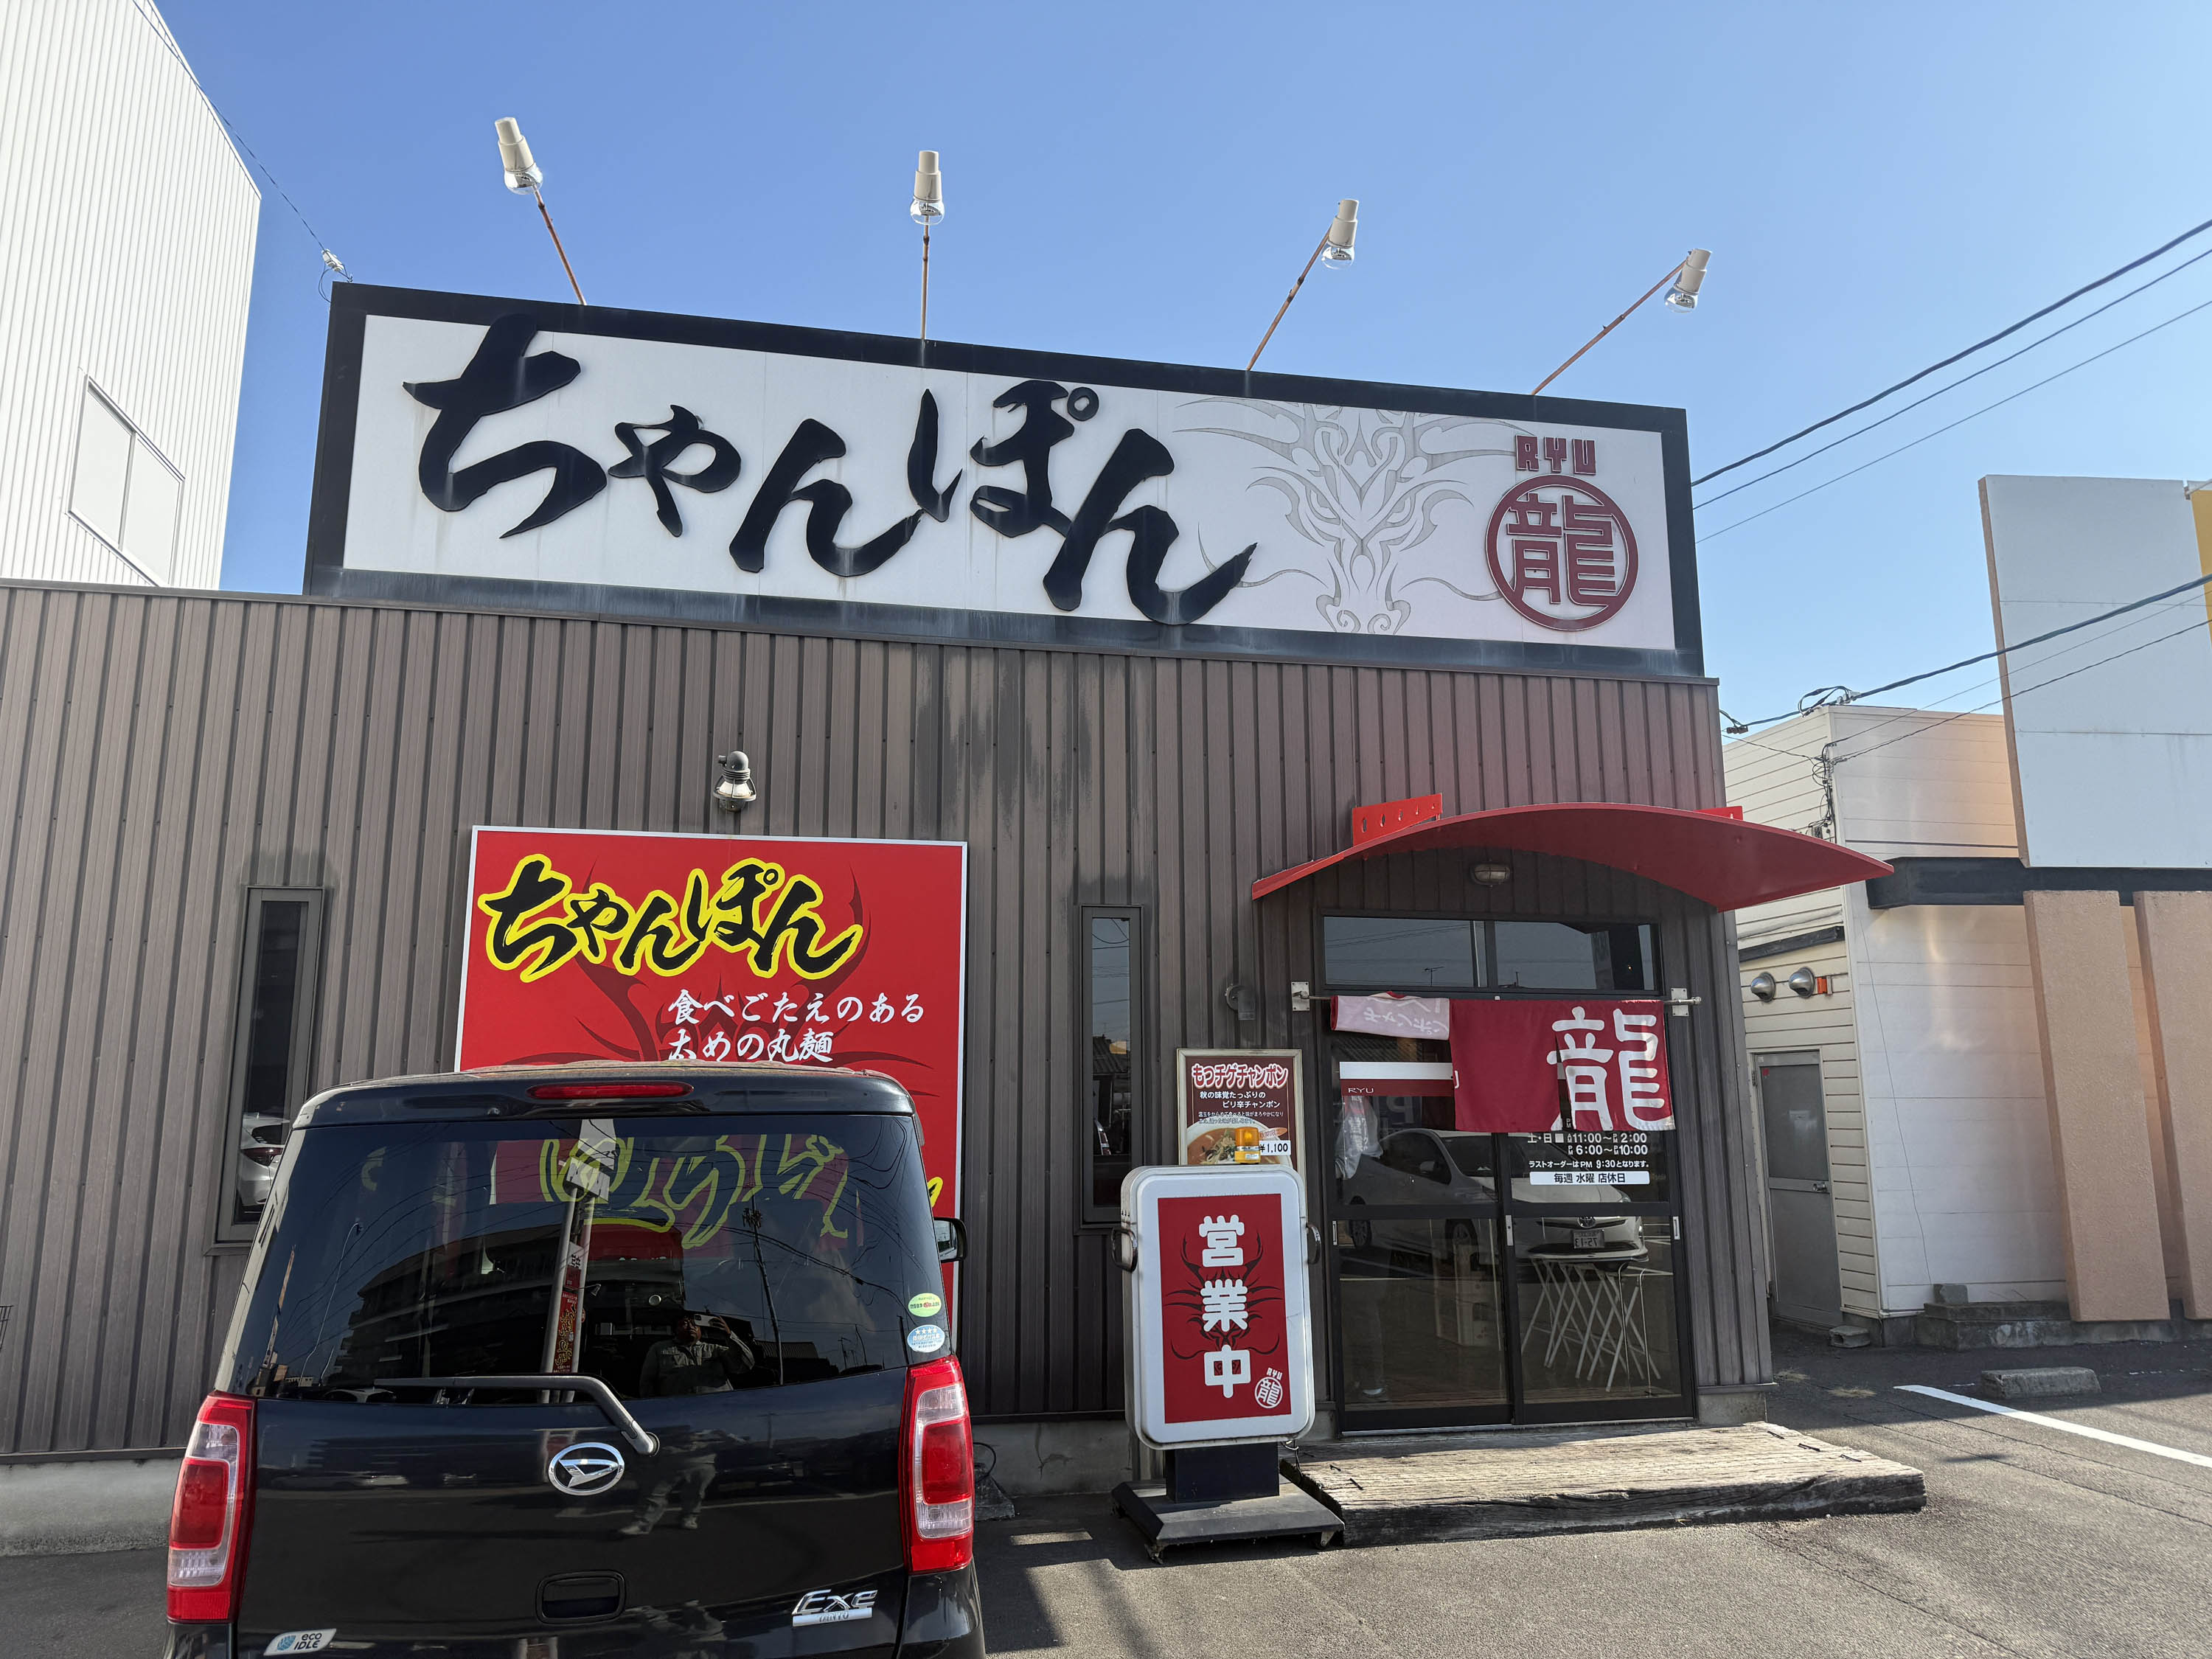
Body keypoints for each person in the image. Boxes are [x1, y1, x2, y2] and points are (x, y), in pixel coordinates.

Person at [636, 1313, 755, 1397]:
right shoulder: (659, 1349)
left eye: (695, 1325)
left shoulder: (714, 1349)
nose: (691, 1327)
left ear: (701, 1331)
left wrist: (729, 1335)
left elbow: (746, 1364)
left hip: (720, 1411)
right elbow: (647, 1383)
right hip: (678, 1415)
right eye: (685, 1324)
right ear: (675, 1330)